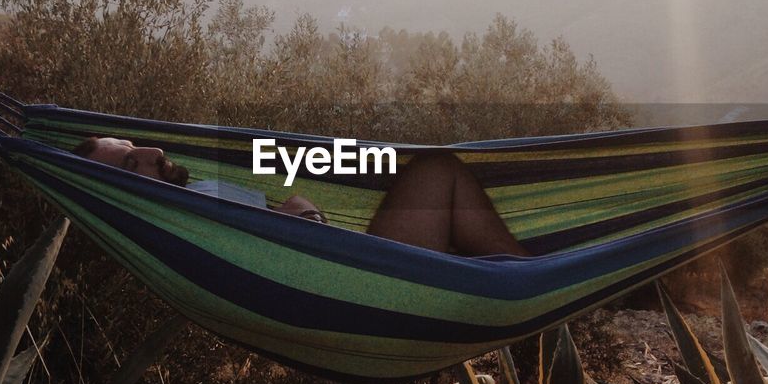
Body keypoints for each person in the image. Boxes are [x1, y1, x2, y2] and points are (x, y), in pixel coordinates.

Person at [72, 137, 527, 256]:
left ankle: (514, 275)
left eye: (137, 147)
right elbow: (278, 243)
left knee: (435, 175)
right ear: (126, 191)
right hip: (363, 278)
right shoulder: (187, 213)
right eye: (134, 164)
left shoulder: (193, 191)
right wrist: (304, 214)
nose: (155, 151)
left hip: (356, 258)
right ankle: (525, 279)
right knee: (436, 170)